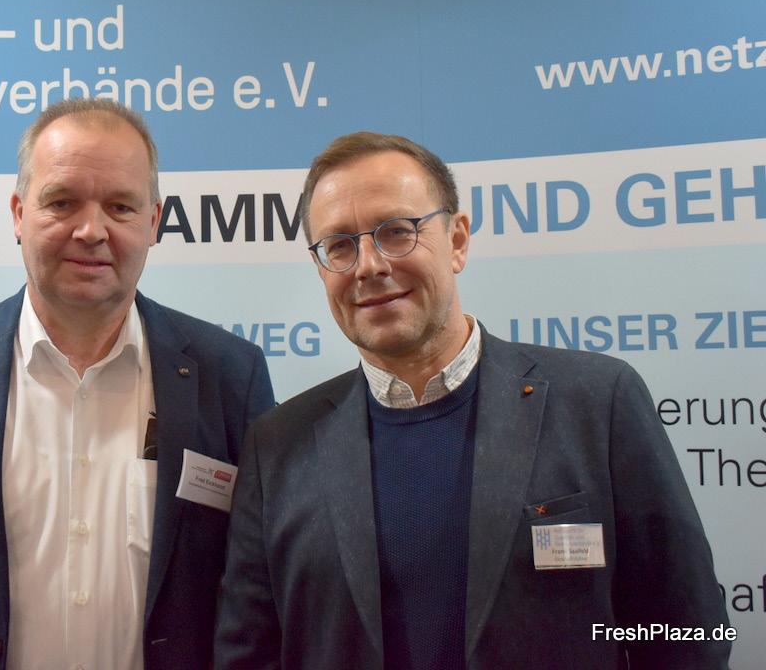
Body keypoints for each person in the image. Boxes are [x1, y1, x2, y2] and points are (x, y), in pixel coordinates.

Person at [215, 131, 730, 670]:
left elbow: (686, 628)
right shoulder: (278, 445)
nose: (368, 265)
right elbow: (247, 652)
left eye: (396, 232)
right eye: (340, 246)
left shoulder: (598, 403)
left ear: (457, 240)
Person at [0, 99, 275, 670]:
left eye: (121, 207)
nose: (91, 230)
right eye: (62, 202)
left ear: (154, 222)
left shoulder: (231, 377)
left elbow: (261, 606)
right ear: (18, 214)